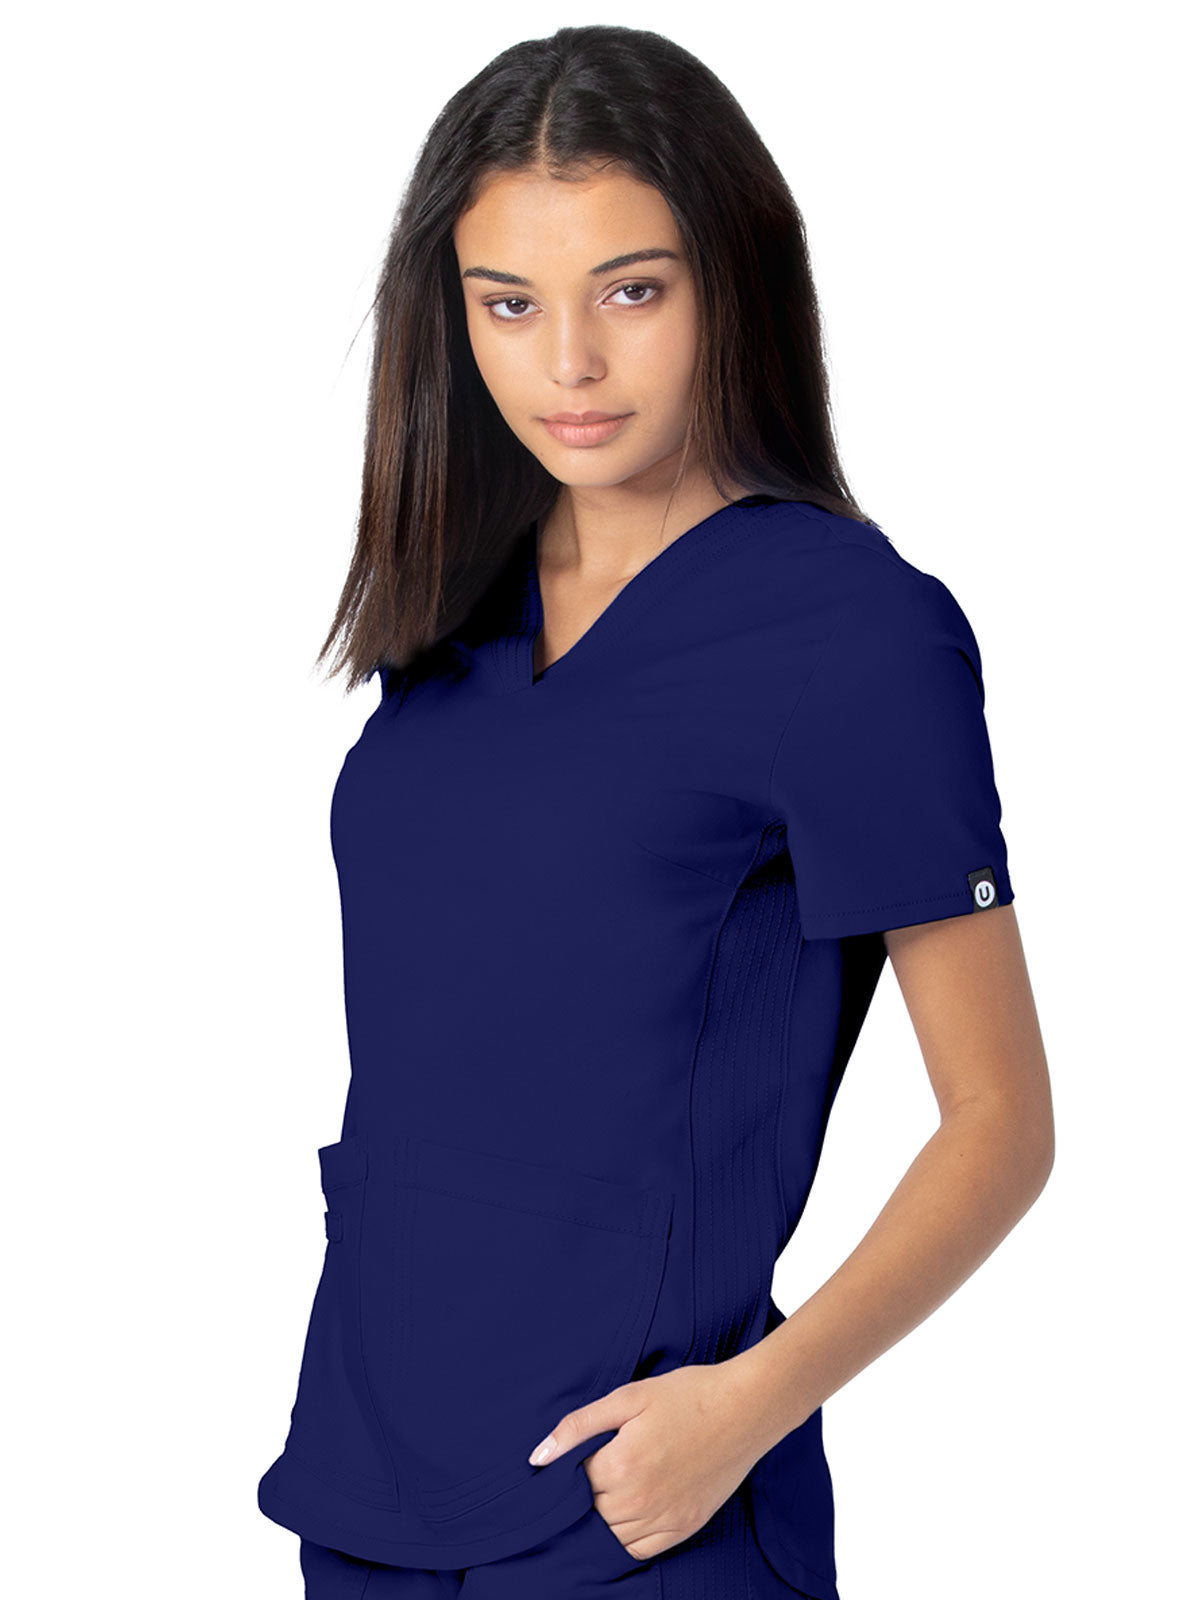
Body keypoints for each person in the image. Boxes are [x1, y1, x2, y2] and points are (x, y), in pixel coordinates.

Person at [256, 23, 1054, 1600]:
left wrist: (749, 1407)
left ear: (729, 284)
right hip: (365, 1471)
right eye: (508, 303)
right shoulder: (456, 614)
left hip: (640, 1505)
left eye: (630, 291)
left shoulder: (851, 634)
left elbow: (1002, 1124)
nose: (568, 363)